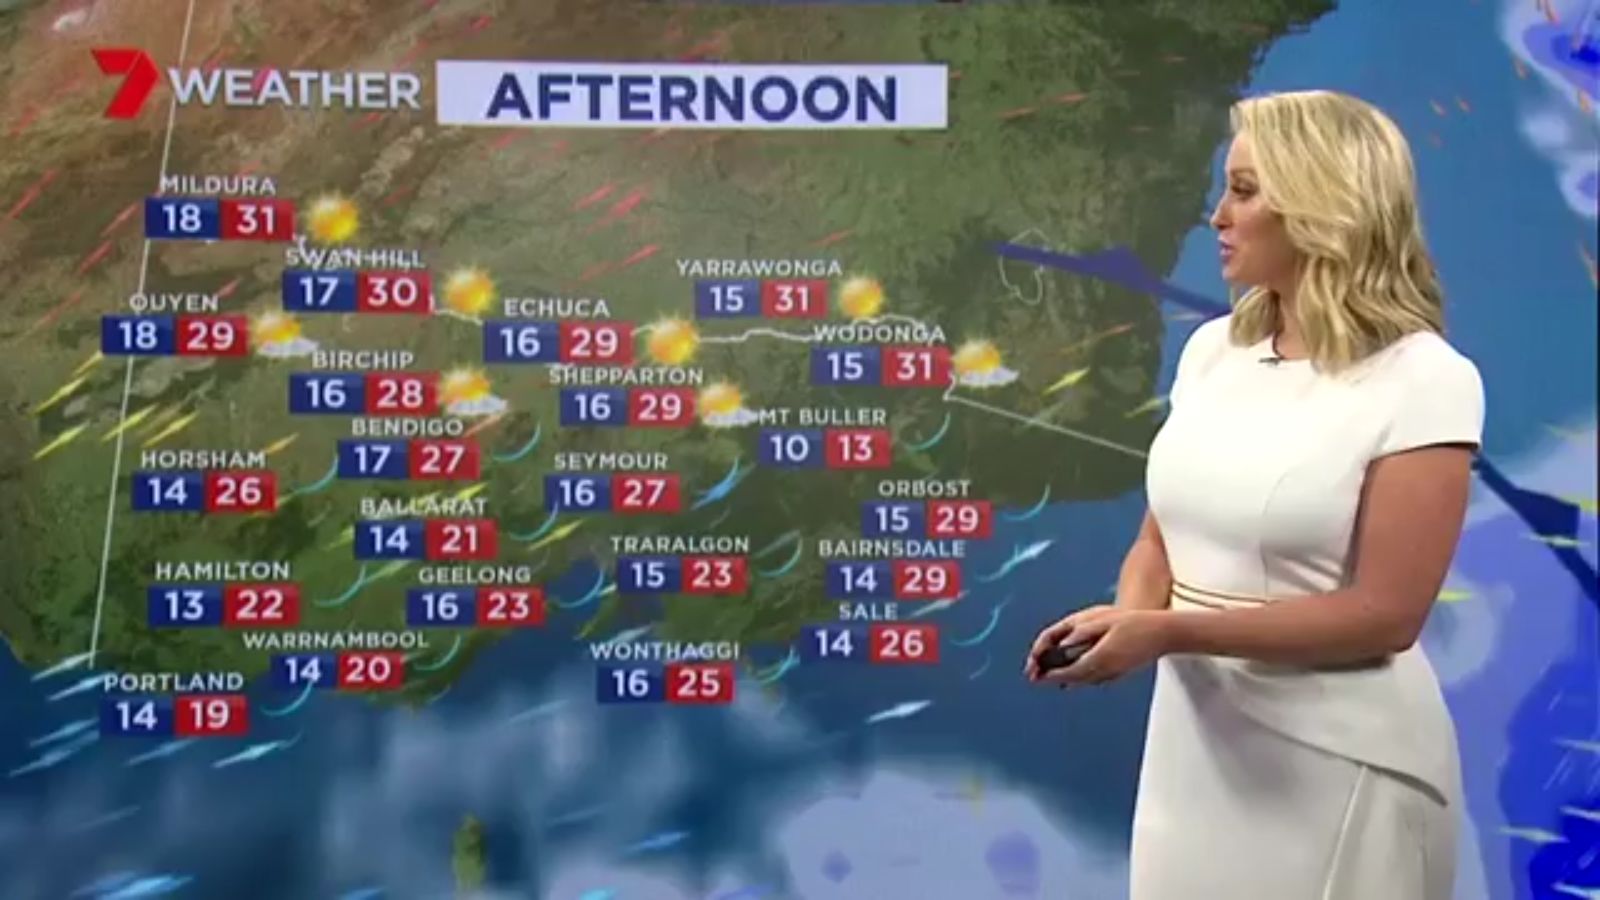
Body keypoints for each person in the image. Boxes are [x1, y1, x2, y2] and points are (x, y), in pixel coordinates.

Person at [1024, 89, 1484, 899]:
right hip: (1196, 752)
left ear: (1322, 205)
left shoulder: (1425, 381)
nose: (1217, 216)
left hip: (1342, 759)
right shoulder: (1214, 352)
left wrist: (1167, 632)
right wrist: (1124, 623)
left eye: (1243, 191)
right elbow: (1160, 538)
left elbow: (1386, 616)